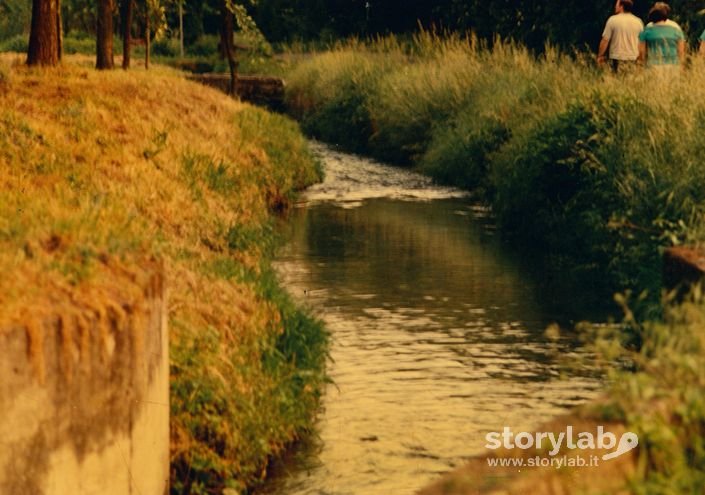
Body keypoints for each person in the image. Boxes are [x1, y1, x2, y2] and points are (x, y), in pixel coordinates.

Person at [597, 0, 644, 73]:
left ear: (621, 6)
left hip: (616, 57)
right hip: (633, 57)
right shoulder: (638, 21)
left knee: (617, 81)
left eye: (616, 4)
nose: (615, 7)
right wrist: (641, 58)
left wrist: (600, 55)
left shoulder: (612, 20)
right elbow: (641, 43)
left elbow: (605, 40)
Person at [638, 3, 686, 67]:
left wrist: (642, 63)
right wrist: (681, 65)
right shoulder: (676, 27)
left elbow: (642, 51)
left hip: (653, 65)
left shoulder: (648, 28)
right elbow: (681, 50)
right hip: (673, 64)